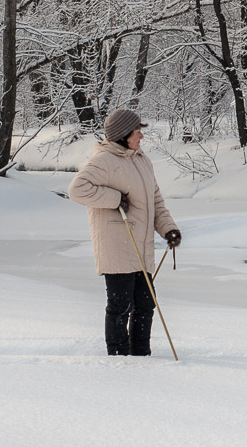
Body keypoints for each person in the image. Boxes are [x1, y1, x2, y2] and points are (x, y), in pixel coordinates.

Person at [68, 109, 182, 356]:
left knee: (145, 304)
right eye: (137, 131)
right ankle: (118, 358)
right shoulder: (104, 161)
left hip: (141, 245)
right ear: (122, 135)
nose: (141, 136)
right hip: (117, 245)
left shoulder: (142, 160)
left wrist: (168, 228)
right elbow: (77, 190)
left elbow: (156, 200)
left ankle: (141, 354)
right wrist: (115, 198)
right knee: (121, 305)